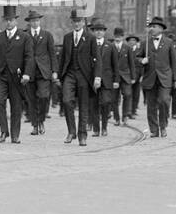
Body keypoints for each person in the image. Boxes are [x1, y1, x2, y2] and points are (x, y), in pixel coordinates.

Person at [0, 6, 29, 143]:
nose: (8, 23)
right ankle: (4, 130)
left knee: (16, 107)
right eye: (6, 20)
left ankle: (15, 134)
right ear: (3, 21)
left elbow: (29, 57)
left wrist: (27, 73)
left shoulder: (24, 36)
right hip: (1, 76)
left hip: (17, 77)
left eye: (11, 20)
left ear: (16, 21)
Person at [58, 9, 98, 145]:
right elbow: (63, 58)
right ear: (71, 22)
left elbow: (97, 59)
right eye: (74, 21)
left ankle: (82, 135)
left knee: (83, 105)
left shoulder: (91, 38)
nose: (76, 24)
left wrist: (97, 77)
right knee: (67, 101)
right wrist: (59, 75)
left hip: (84, 75)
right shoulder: (67, 37)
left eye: (79, 21)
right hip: (69, 74)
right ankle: (71, 132)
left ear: (83, 22)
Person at [139, 15, 176, 137]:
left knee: (164, 101)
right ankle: (154, 130)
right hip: (150, 79)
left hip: (165, 78)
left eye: (154, 26)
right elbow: (137, 57)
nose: (151, 28)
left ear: (161, 29)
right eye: (151, 26)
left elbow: (174, 62)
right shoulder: (145, 43)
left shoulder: (168, 42)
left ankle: (163, 126)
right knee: (151, 106)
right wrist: (142, 61)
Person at [22, 10, 57, 136]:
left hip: (44, 71)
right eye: (32, 21)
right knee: (31, 100)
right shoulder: (24, 35)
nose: (35, 23)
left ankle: (41, 120)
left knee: (43, 96)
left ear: (40, 21)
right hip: (29, 72)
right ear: (29, 22)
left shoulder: (47, 35)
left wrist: (54, 71)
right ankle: (35, 125)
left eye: (37, 20)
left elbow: (52, 54)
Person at [89, 19, 116, 136]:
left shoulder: (110, 46)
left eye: (101, 30)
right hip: (92, 79)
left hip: (107, 80)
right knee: (93, 105)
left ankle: (104, 127)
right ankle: (96, 129)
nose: (99, 32)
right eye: (96, 30)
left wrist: (116, 80)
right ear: (93, 32)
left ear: (104, 32)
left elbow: (115, 65)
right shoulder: (89, 45)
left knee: (105, 103)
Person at [110, 27, 134, 127]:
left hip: (126, 76)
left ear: (123, 37)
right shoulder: (110, 47)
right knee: (114, 98)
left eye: (120, 36)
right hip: (113, 77)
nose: (118, 38)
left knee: (127, 95)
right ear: (114, 36)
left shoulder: (127, 48)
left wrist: (133, 77)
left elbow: (131, 63)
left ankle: (125, 116)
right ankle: (116, 118)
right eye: (116, 36)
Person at [126, 34, 143, 119]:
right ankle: (128, 111)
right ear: (128, 42)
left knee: (136, 94)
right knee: (128, 93)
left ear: (136, 42)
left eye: (134, 40)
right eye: (130, 40)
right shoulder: (126, 50)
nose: (132, 42)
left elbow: (143, 64)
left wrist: (142, 76)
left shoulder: (140, 51)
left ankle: (133, 110)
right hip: (128, 75)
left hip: (138, 75)